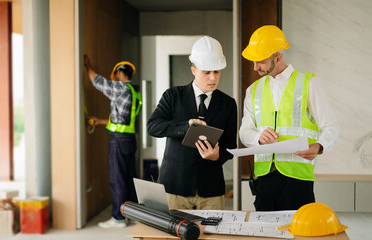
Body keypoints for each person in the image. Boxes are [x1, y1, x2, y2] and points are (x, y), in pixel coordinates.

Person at [239, 25, 339, 211]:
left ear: (278, 57)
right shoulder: (253, 90)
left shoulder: (309, 83)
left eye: (260, 62)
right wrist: (257, 137)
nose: (255, 67)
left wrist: (319, 146)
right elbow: (244, 132)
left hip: (298, 181)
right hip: (264, 181)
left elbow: (330, 126)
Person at [147, 36, 238, 210]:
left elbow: (230, 146)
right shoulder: (173, 96)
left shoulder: (228, 103)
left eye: (217, 72)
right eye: (206, 72)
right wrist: (185, 127)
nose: (212, 78)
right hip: (175, 188)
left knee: (212, 237)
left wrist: (217, 157)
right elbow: (153, 126)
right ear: (193, 70)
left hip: (211, 190)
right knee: (172, 237)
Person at [84, 55, 142, 228]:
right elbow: (122, 120)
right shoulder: (134, 92)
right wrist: (100, 121)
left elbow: (97, 81)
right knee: (128, 177)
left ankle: (118, 217)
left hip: (118, 141)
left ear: (118, 72)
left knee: (117, 178)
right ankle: (131, 214)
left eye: (115, 74)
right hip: (129, 139)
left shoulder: (120, 88)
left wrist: (88, 65)